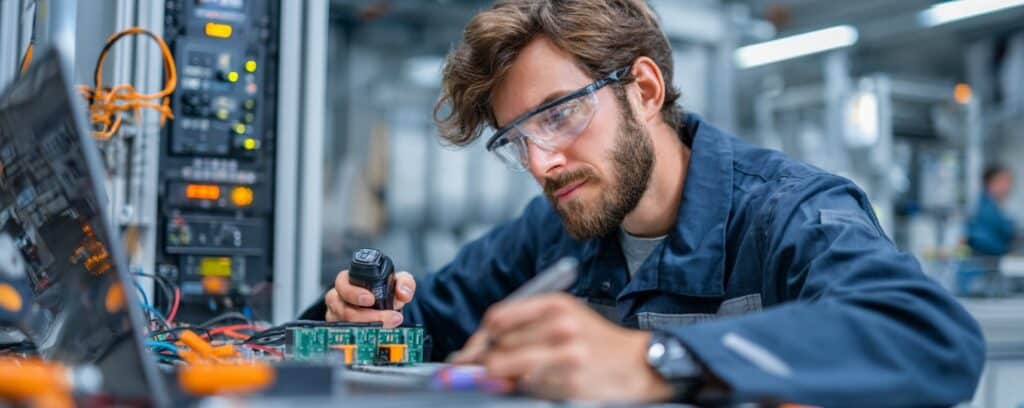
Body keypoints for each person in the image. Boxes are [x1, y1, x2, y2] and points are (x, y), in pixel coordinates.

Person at [305, 0, 984, 405]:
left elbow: (930, 336)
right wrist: (366, 320)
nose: (541, 162)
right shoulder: (553, 231)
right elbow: (422, 324)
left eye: (559, 116)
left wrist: (655, 361)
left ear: (646, 90)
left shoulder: (790, 214)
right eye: (517, 140)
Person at [967, 165, 1016, 257]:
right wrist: (1007, 250)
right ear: (989, 183)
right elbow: (981, 241)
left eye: (1009, 181)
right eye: (1003, 181)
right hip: (985, 262)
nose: (1008, 186)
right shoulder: (983, 209)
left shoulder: (995, 207)